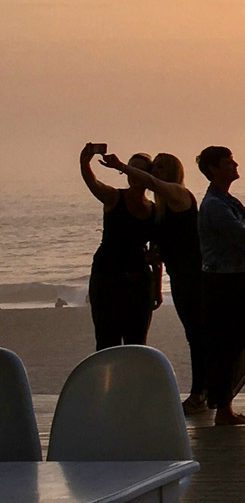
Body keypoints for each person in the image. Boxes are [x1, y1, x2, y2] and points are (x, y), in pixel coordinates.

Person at [103, 152, 207, 413]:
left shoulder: (178, 193)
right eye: (153, 167)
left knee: (198, 335)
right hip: (179, 277)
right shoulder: (161, 208)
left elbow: (154, 184)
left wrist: (121, 167)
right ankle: (204, 392)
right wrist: (156, 280)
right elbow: (159, 250)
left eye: (159, 166)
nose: (154, 171)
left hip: (194, 276)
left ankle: (200, 394)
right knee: (194, 334)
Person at [197, 145, 245, 426]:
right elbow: (244, 238)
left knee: (239, 343)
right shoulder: (216, 205)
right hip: (224, 281)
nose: (234, 165)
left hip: (236, 276)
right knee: (228, 344)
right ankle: (224, 409)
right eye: (228, 162)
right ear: (213, 169)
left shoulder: (227, 201)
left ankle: (226, 407)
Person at [80, 144, 156, 349]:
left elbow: (156, 253)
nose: (132, 173)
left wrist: (156, 288)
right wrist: (84, 162)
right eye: (129, 168)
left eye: (139, 169)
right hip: (107, 279)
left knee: (137, 342)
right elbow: (93, 183)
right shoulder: (115, 197)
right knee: (107, 341)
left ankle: (133, 381)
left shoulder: (154, 210)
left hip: (138, 282)